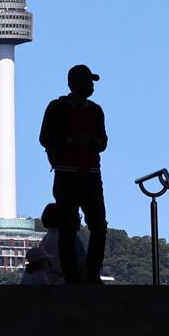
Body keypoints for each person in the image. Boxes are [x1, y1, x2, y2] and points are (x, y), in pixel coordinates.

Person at [39, 63, 108, 284]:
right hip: (67, 175)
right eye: (87, 81)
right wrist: (71, 141)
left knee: (98, 224)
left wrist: (92, 142)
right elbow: (45, 138)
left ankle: (91, 271)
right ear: (73, 83)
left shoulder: (96, 110)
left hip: (90, 174)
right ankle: (72, 274)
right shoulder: (57, 108)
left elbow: (103, 142)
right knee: (69, 225)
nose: (91, 86)